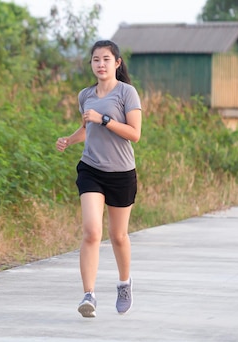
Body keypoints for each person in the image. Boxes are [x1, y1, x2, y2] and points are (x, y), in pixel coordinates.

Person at [56, 40, 142, 318]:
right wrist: (70, 139)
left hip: (121, 173)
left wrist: (104, 119)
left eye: (106, 59)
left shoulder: (127, 93)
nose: (100, 64)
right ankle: (89, 295)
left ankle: (124, 283)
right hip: (91, 168)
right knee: (92, 231)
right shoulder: (86, 95)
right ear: (91, 64)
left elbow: (134, 133)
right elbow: (87, 129)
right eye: (95, 60)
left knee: (118, 236)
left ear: (117, 63)